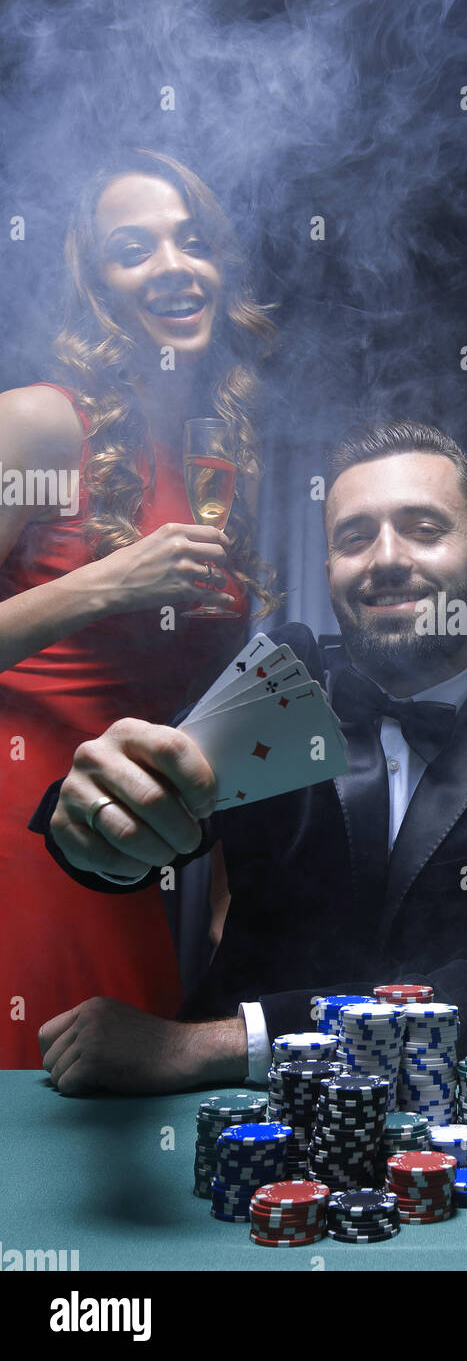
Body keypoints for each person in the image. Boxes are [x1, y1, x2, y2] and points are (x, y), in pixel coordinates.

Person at [30, 421, 467, 1094]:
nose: (384, 558)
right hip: (236, 1117)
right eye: (355, 537)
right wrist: (96, 827)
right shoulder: (284, 680)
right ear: (330, 573)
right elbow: (142, 825)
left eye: (424, 529)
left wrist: (204, 1046)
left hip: (441, 1119)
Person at [0, 148, 277, 1067]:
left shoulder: (219, 456)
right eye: (133, 248)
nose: (172, 265)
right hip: (21, 822)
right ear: (96, 287)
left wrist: (228, 880)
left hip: (140, 848)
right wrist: (114, 582)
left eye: (192, 242)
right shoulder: (40, 422)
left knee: (126, 1077)